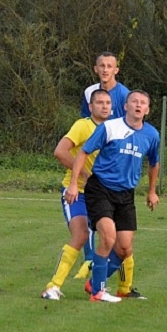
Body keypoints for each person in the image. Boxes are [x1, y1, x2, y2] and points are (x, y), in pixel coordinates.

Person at [65, 90, 160, 303]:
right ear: (125, 106)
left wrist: (152, 191)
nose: (138, 105)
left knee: (124, 248)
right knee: (107, 236)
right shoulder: (110, 127)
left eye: (143, 103)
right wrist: (73, 184)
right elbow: (83, 152)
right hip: (100, 188)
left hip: (126, 194)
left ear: (147, 110)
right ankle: (98, 292)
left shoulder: (151, 135)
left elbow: (154, 163)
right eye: (134, 101)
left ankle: (94, 283)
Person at [42, 89, 112, 300]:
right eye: (99, 102)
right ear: (90, 107)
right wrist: (83, 175)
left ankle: (107, 286)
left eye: (108, 102)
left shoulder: (114, 128)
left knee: (115, 239)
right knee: (81, 235)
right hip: (78, 192)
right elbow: (60, 151)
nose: (104, 106)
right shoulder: (83, 125)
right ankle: (52, 287)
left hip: (103, 194)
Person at [80, 52, 130, 120]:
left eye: (109, 66)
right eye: (102, 66)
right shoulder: (89, 91)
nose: (105, 70)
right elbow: (85, 121)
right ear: (96, 69)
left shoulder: (126, 95)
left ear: (116, 70)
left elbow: (130, 125)